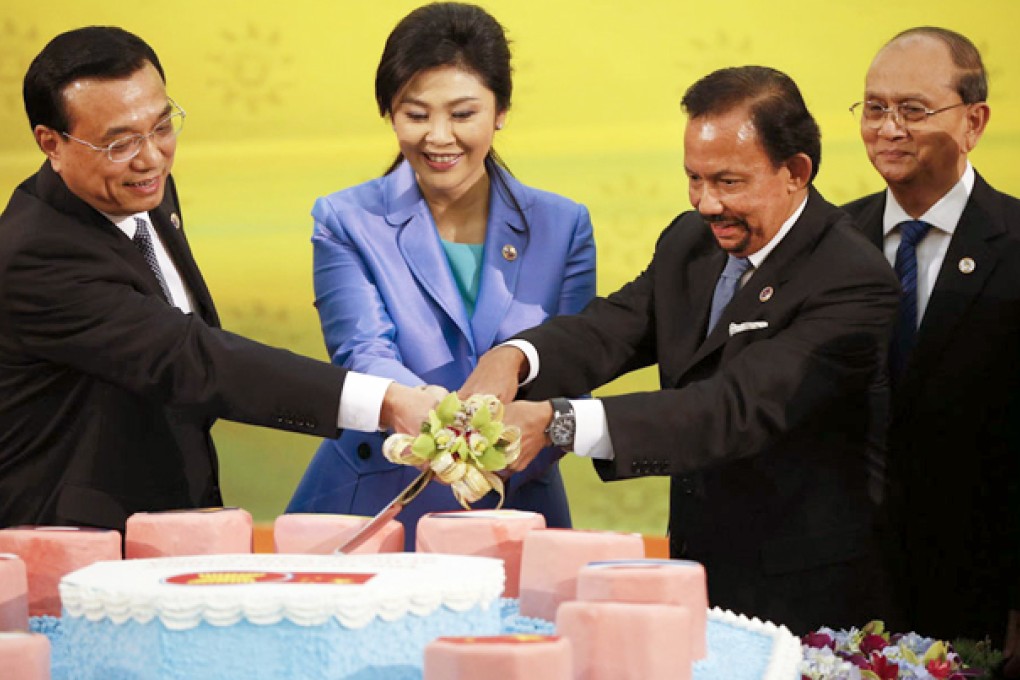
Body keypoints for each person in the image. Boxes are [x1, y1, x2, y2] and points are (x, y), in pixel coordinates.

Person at [462, 65, 900, 634]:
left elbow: (730, 410)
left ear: (795, 172)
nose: (706, 203)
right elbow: (612, 328)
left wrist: (558, 422)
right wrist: (514, 357)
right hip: (700, 573)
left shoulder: (851, 278)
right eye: (693, 178)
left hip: (808, 599)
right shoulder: (691, 243)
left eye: (728, 181)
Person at [0, 26, 440, 532]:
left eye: (163, 127)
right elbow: (190, 358)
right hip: (70, 539)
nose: (150, 158)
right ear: (50, 143)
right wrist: (386, 401)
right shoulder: (35, 255)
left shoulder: (140, 188)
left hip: (168, 517)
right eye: (118, 143)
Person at [285, 2, 596, 547]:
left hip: (516, 502)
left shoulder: (564, 224)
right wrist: (452, 434)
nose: (438, 137)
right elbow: (362, 353)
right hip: (378, 503)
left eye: (462, 113)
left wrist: (497, 450)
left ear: (500, 111)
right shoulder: (344, 220)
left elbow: (571, 361)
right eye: (416, 113)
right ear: (389, 112)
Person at [843, 27, 1019, 667]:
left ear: (974, 122)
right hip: (846, 598)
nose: (888, 129)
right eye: (874, 107)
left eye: (913, 110)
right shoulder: (831, 241)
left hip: (980, 591)